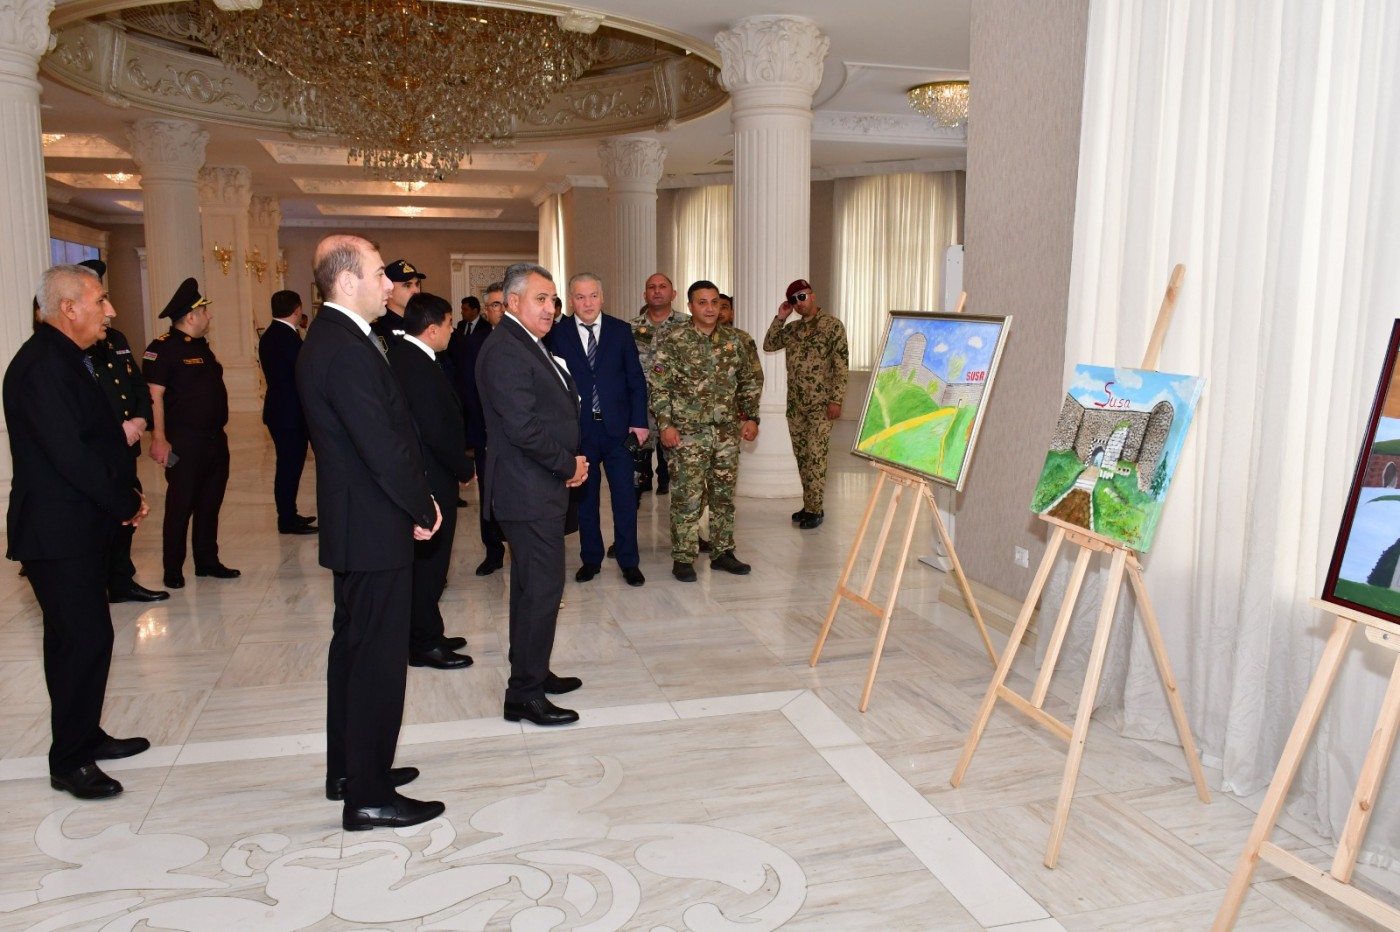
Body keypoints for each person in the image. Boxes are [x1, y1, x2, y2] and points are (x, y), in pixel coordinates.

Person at [298, 234, 444, 830]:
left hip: (360, 519)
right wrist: (421, 503)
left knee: (354, 652)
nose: (391, 285)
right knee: (377, 659)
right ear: (348, 280)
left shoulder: (341, 337)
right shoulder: (344, 347)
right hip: (374, 522)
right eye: (381, 274)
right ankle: (370, 795)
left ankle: (353, 770)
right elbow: (380, 445)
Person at [6, 264, 151, 799]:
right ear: (69, 307)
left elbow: (98, 439)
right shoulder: (44, 365)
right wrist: (121, 502)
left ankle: (84, 734)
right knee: (81, 641)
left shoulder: (67, 358)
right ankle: (69, 759)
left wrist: (124, 494)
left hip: (75, 525)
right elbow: (70, 455)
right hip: (56, 531)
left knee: (79, 639)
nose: (109, 310)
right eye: (100, 300)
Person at [475, 263, 588, 726]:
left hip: (536, 485)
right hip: (528, 488)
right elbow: (522, 427)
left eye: (553, 300)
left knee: (529, 588)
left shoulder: (526, 344)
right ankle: (524, 694)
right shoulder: (506, 350)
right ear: (513, 301)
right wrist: (567, 463)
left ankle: (532, 670)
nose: (551, 308)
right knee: (542, 589)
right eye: (540, 299)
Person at [649, 280, 763, 582]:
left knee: (724, 495)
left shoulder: (738, 340)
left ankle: (723, 551)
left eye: (714, 302)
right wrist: (666, 425)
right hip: (687, 434)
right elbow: (659, 386)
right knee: (688, 496)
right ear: (690, 307)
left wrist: (751, 417)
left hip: (726, 433)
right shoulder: (673, 340)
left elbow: (751, 380)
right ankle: (684, 557)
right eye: (702, 302)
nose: (710, 308)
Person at [387, 292, 476, 670]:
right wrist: (464, 467)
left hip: (431, 471)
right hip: (430, 474)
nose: (453, 330)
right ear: (433, 328)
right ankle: (422, 643)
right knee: (430, 563)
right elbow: (434, 429)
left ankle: (429, 630)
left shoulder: (415, 357)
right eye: (450, 324)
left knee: (432, 562)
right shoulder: (413, 363)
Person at [545, 273, 649, 587]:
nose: (587, 303)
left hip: (618, 431)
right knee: (585, 500)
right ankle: (591, 559)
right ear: (571, 299)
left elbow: (635, 379)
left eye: (592, 296)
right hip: (579, 432)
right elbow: (552, 384)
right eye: (580, 297)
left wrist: (640, 421)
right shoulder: (557, 333)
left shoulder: (621, 331)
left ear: (602, 298)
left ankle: (629, 560)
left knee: (625, 498)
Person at [78, 259, 167, 603]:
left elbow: (136, 383)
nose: (109, 310)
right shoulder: (72, 350)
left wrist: (140, 421)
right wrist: (117, 429)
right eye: (100, 300)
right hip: (100, 447)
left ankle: (120, 579)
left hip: (126, 442)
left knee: (127, 510)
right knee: (103, 513)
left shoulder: (116, 339)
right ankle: (100, 579)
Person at [143, 278, 238, 589]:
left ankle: (207, 561)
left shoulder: (201, 347)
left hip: (213, 438)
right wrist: (159, 438)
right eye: (205, 312)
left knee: (210, 502)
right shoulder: (163, 348)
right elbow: (154, 395)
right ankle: (173, 568)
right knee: (180, 505)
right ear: (191, 315)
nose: (209, 317)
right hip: (183, 440)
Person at [762, 279, 850, 530]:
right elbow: (769, 344)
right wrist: (781, 317)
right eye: (794, 300)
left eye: (802, 297)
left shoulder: (832, 326)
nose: (799, 303)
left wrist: (836, 399)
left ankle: (815, 509)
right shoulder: (792, 330)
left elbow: (841, 366)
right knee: (802, 457)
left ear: (812, 295)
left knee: (816, 456)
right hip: (796, 405)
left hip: (821, 405)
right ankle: (809, 504)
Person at [459, 283, 508, 576]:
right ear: (485, 311)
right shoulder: (472, 344)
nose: (499, 310)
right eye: (493, 305)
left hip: (522, 437)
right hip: (486, 435)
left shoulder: (533, 340)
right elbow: (466, 390)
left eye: (503, 304)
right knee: (488, 495)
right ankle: (493, 551)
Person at [259, 290, 317, 536]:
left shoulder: (272, 334)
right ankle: (287, 519)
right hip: (288, 414)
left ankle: (290, 513)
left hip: (282, 410)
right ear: (297, 309)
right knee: (288, 467)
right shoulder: (286, 337)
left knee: (289, 466)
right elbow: (302, 372)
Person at [629, 273, 688, 500]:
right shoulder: (631, 328)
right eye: (652, 287)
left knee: (683, 476)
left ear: (673, 294)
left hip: (676, 411)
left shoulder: (688, 325)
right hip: (640, 410)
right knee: (634, 475)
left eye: (662, 286)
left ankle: (687, 532)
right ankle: (629, 533)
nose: (657, 290)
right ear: (645, 295)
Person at [372, 258, 425, 343]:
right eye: (407, 285)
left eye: (417, 284)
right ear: (389, 291)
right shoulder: (376, 328)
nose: (416, 290)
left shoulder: (424, 323)